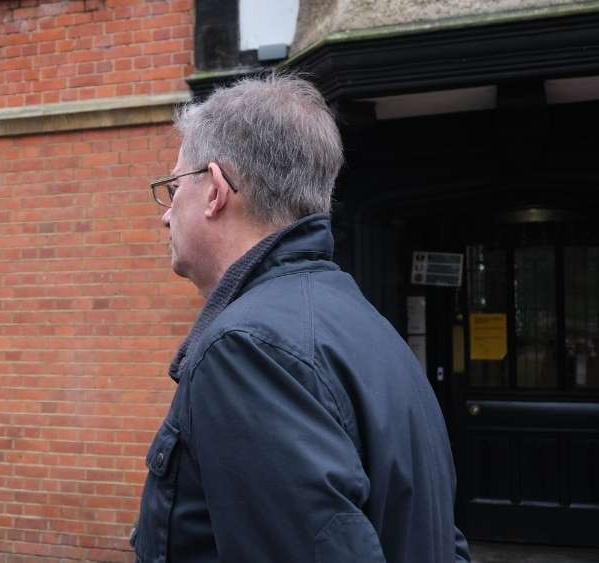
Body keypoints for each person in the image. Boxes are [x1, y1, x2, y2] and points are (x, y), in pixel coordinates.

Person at [131, 75, 470, 562]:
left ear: (215, 191)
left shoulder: (249, 350)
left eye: (173, 186)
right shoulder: (367, 327)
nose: (165, 214)